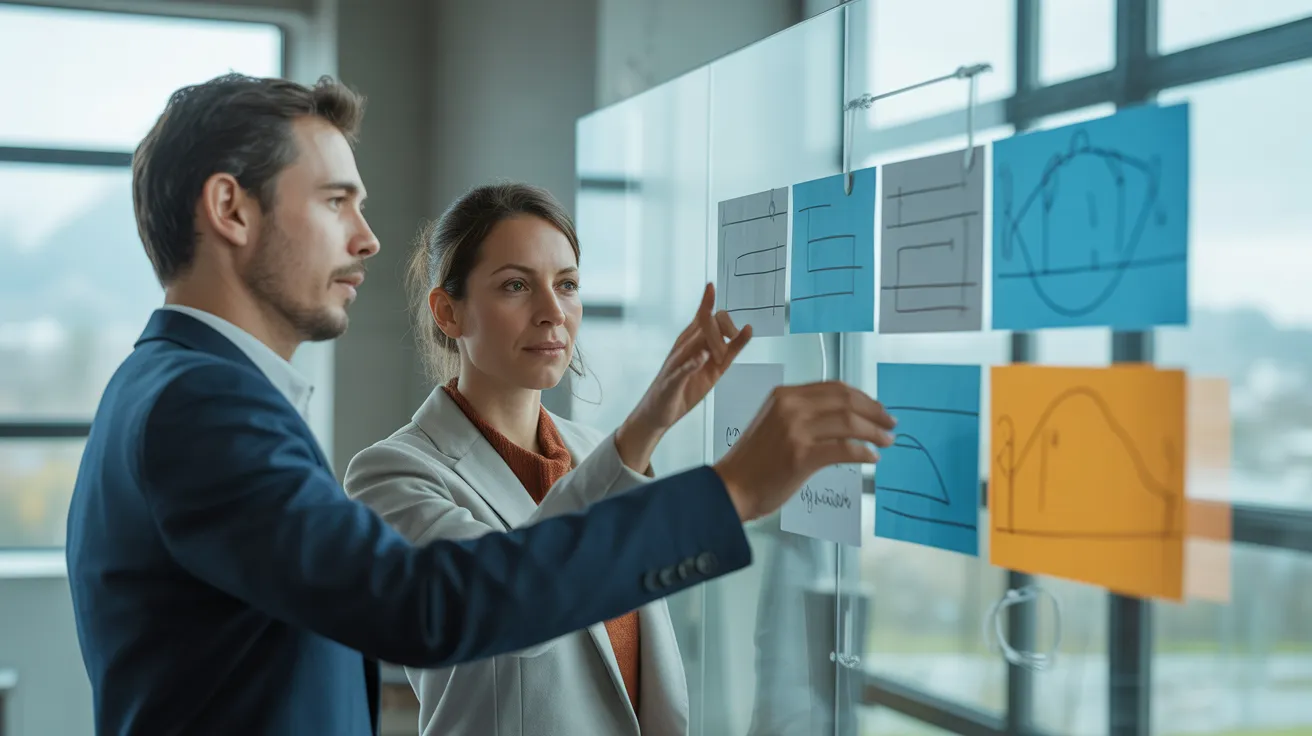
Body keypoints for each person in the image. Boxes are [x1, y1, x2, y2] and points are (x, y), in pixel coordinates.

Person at [65, 72, 897, 736]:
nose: (368, 238)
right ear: (230, 209)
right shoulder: (204, 404)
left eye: (568, 284)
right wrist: (731, 494)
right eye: (334, 201)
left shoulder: (185, 386)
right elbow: (427, 603)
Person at [343, 182, 745, 736]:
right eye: (515, 285)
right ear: (448, 312)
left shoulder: (597, 454)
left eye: (568, 285)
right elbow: (512, 608)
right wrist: (646, 426)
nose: (553, 312)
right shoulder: (390, 475)